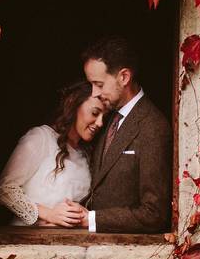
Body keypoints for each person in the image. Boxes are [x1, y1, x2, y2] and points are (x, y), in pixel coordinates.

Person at [67, 37, 172, 233]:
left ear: (124, 77)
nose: (94, 93)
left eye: (98, 84)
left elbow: (154, 213)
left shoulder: (153, 126)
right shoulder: (109, 118)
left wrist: (90, 219)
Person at [0, 81, 108, 227]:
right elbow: (4, 189)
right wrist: (48, 214)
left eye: (104, 117)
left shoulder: (85, 154)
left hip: (66, 241)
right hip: (26, 238)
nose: (100, 123)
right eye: (95, 113)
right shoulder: (41, 137)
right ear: (75, 106)